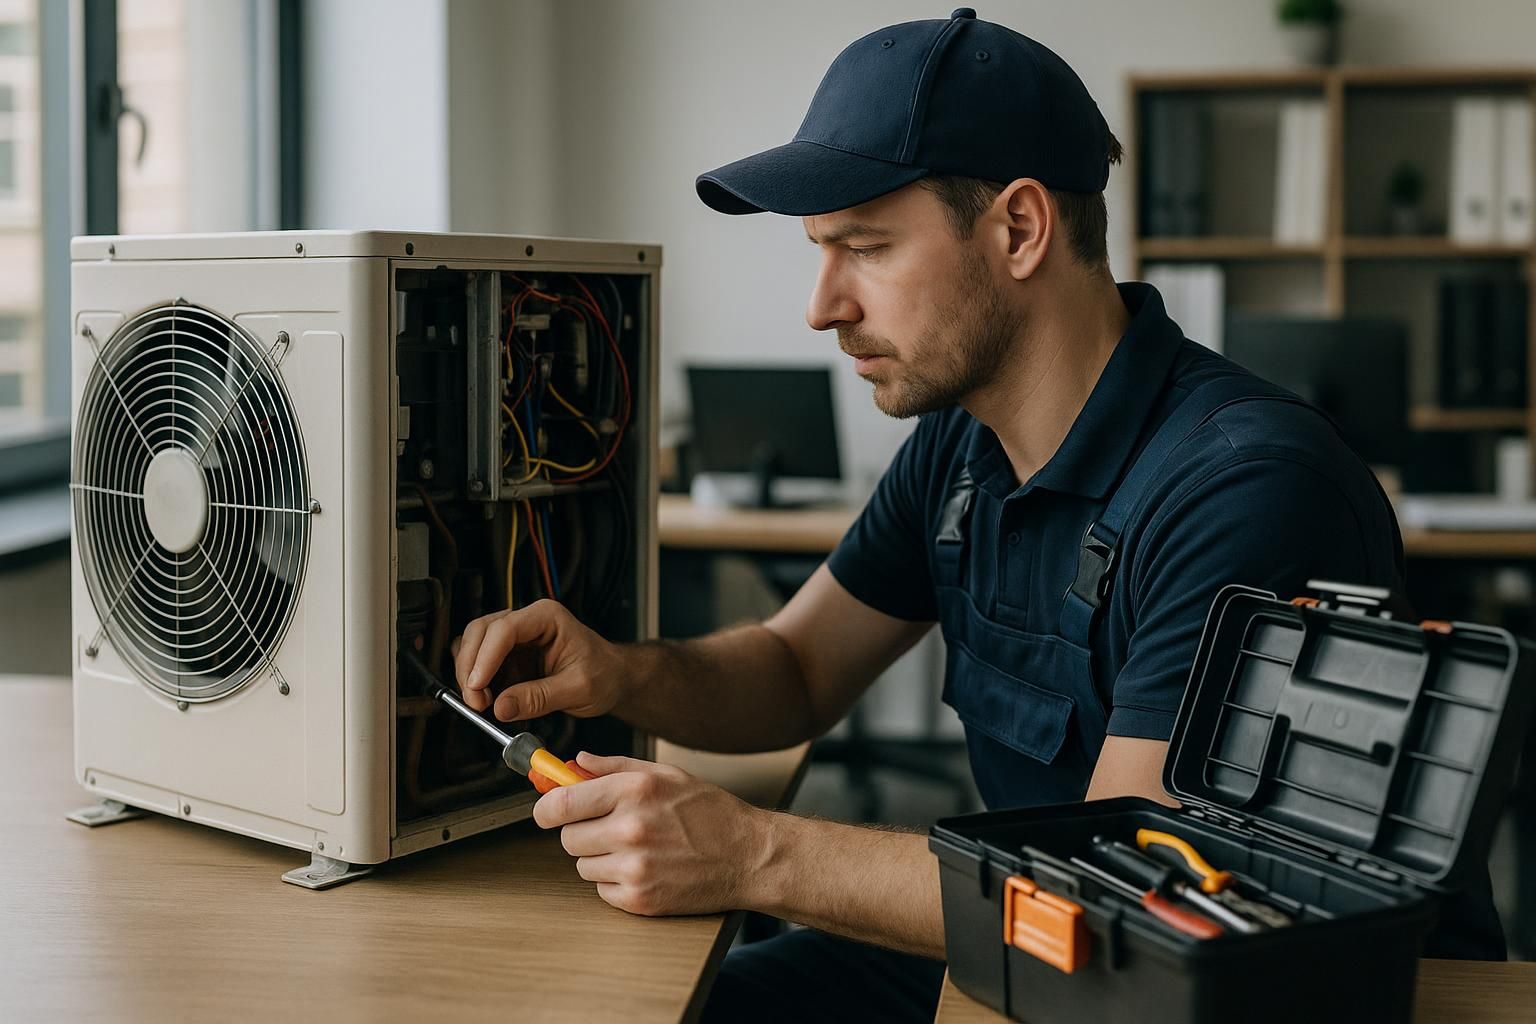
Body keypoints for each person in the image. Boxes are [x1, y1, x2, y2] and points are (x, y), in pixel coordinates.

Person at [453, 9, 1505, 1021]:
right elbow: (795, 669)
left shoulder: (1246, 491)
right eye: (820, 250)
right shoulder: (961, 447)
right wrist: (622, 671)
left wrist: (751, 854)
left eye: (863, 246)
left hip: (1184, 980)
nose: (822, 305)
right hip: (1036, 951)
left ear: (1019, 227)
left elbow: (1125, 892)